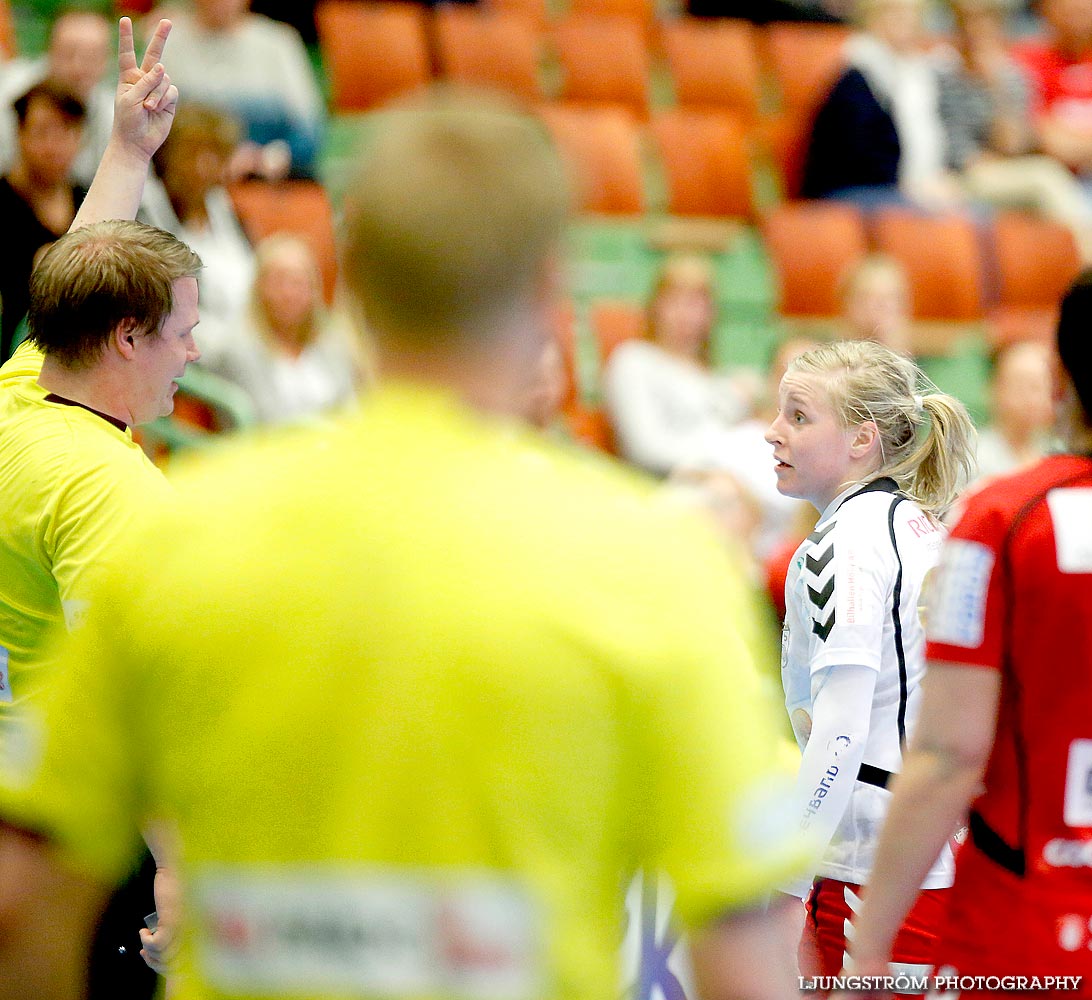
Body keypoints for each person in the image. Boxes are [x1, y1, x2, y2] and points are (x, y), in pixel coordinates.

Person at [0, 92, 813, 1000]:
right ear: (550, 287)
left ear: (356, 283)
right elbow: (745, 955)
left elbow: (28, 898)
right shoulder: (659, 568)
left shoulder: (185, 535)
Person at [0, 16, 194, 998]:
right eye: (182, 333)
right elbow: (133, 692)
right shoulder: (112, 490)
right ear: (127, 337)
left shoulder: (20, 385)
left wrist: (125, 149)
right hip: (85, 844)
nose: (192, 354)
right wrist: (177, 864)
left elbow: (72, 270)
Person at [838, 273, 1092, 998]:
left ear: (1061, 379)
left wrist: (869, 946)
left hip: (1033, 931)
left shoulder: (1000, 523)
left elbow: (949, 753)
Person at [763, 340, 978, 992]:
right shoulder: (917, 525)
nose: (774, 431)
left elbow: (841, 729)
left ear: (862, 440)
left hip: (871, 863)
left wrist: (785, 881)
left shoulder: (842, 544)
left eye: (799, 416)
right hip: (936, 854)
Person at [936, 0, 1092, 262]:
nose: (978, 41)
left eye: (986, 33)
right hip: (968, 174)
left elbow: (1013, 144)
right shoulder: (947, 80)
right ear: (959, 37)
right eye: (971, 33)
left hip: (1008, 171)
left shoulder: (1013, 78)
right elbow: (957, 150)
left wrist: (995, 87)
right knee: (1045, 176)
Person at [802, 0, 961, 210]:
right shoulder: (857, 77)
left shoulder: (916, 72)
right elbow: (856, 160)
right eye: (896, 14)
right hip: (855, 191)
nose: (909, 23)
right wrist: (913, 189)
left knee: (979, 212)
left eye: (913, 15)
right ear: (873, 19)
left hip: (903, 189)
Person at [604, 253, 749, 477]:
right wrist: (726, 457)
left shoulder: (716, 379)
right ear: (655, 306)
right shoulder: (633, 360)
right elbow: (645, 450)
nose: (686, 315)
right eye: (675, 301)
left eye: (697, 304)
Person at [146, 0, 325, 177]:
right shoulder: (167, 40)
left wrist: (262, 159)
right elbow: (150, 122)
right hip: (185, 183)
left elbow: (310, 131)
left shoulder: (278, 43)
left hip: (263, 182)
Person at [203, 233, 362, 423]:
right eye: (279, 281)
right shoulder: (236, 352)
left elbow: (354, 409)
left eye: (299, 282)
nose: (289, 293)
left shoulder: (334, 344)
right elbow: (259, 425)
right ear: (258, 287)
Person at [0, 80, 87, 362]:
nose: (54, 146)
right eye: (42, 132)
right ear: (20, 133)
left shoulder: (89, 198)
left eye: (66, 131)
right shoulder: (3, 201)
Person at [0, 9, 114, 187]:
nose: (79, 68)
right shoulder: (11, 96)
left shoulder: (113, 113)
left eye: (91, 57)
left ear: (106, 61)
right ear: (49, 52)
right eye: (68, 54)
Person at [1013, 0, 1092, 180]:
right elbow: (1049, 142)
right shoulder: (1027, 61)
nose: (1078, 16)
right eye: (1069, 10)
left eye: (1084, 9)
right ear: (1046, 10)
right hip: (1056, 177)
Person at [974, 338, 1055, 484]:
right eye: (1024, 386)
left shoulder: (1057, 452)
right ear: (996, 389)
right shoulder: (972, 458)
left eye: (1044, 387)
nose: (1035, 398)